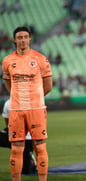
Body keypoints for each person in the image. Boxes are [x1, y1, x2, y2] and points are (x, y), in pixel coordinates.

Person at [2, 26, 52, 181]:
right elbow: (8, 85)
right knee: (16, 149)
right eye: (19, 37)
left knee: (40, 145)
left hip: (36, 108)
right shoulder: (8, 61)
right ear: (14, 40)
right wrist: (19, 98)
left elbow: (48, 85)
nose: (22, 40)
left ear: (29, 38)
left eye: (25, 37)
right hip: (16, 109)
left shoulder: (40, 59)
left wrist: (34, 97)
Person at [1, 99, 37, 175]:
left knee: (26, 172)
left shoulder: (9, 102)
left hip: (25, 139)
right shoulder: (10, 103)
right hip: (16, 137)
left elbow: (7, 122)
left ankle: (31, 160)